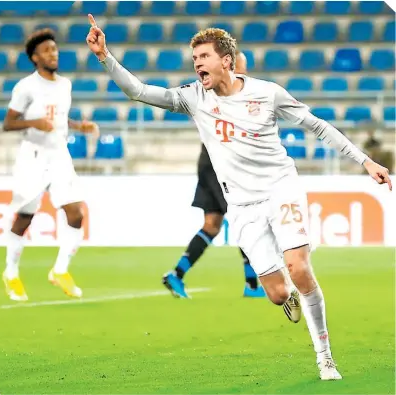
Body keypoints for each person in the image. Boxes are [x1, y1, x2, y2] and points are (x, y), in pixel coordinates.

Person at [86, 16, 392, 380]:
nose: (197, 63)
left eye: (203, 56)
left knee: (298, 266)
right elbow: (138, 91)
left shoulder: (267, 93)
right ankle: (290, 290)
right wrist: (105, 56)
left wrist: (365, 160)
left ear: (226, 60)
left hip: (281, 188)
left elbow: (318, 127)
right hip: (243, 206)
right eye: (194, 57)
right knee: (277, 294)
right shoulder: (193, 97)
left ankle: (325, 357)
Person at [2, 29, 99, 301]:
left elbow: (59, 119)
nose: (52, 54)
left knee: (76, 213)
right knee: (25, 218)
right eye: (46, 50)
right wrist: (33, 123)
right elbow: (8, 123)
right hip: (33, 157)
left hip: (59, 155)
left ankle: (60, 271)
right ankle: (10, 273)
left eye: (54, 49)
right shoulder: (25, 87)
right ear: (35, 57)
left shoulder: (64, 85)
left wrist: (80, 126)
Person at [163, 51, 265, 299]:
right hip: (220, 164)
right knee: (243, 219)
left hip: (210, 161)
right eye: (242, 67)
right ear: (229, 66)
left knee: (212, 225)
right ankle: (252, 284)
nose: (245, 72)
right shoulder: (222, 94)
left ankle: (177, 274)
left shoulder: (230, 94)